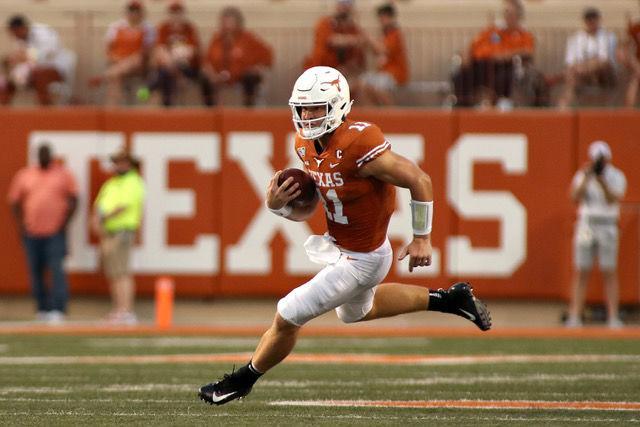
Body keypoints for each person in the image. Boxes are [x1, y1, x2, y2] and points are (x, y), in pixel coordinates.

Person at [198, 66, 492, 406]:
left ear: (337, 106)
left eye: (316, 108)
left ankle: (242, 380)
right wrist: (276, 206)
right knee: (356, 312)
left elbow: (420, 179)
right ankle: (450, 300)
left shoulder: (358, 143)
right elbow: (313, 207)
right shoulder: (305, 145)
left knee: (288, 313)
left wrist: (421, 237)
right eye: (303, 108)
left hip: (363, 258)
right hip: (346, 248)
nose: (307, 116)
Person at [7, 144, 78, 323]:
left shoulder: (62, 174)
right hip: (32, 232)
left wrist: (64, 223)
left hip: (55, 232)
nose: (44, 157)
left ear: (52, 156)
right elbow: (14, 201)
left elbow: (75, 198)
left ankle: (58, 307)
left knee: (56, 269)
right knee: (35, 270)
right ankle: (42, 307)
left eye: (46, 154)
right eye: (41, 154)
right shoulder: (26, 174)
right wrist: (21, 224)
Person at [566, 141, 626, 329]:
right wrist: (586, 178)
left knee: (609, 270)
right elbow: (574, 196)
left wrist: (602, 182)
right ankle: (575, 316)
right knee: (581, 270)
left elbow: (613, 199)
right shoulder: (584, 175)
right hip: (587, 224)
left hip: (607, 225)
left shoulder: (615, 176)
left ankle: (613, 317)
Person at [452, 0, 539, 109]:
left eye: (511, 14)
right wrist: (466, 54)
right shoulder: (494, 31)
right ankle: (462, 107)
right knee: (461, 75)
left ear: (518, 16)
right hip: (481, 64)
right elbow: (473, 45)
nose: (508, 16)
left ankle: (497, 104)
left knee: (502, 77)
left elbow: (528, 51)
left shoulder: (524, 35)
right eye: (506, 13)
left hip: (504, 66)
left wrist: (509, 54)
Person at [92, 150, 145, 325]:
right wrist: (96, 221)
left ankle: (126, 310)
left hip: (122, 231)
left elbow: (123, 206)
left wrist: (103, 218)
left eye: (123, 162)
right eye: (117, 162)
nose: (119, 166)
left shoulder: (133, 181)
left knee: (122, 272)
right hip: (109, 232)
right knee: (113, 273)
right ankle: (118, 309)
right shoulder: (112, 184)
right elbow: (99, 205)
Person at [202, 7, 272, 107]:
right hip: (219, 77)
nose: (227, 26)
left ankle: (248, 111)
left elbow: (267, 54)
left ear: (238, 23)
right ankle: (210, 113)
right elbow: (206, 61)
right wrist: (212, 74)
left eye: (230, 22)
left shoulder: (248, 38)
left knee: (250, 78)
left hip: (242, 78)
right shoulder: (216, 39)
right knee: (204, 78)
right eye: (224, 22)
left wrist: (258, 68)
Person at [90, 0, 155, 105]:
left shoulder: (147, 28)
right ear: (126, 12)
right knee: (115, 78)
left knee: (134, 59)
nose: (134, 14)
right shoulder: (116, 26)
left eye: (136, 11)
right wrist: (115, 58)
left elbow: (147, 51)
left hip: (139, 64)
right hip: (118, 62)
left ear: (141, 13)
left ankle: (104, 77)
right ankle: (114, 113)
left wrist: (130, 60)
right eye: (131, 11)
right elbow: (108, 49)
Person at [150, 0, 210, 106]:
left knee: (167, 72)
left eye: (178, 12)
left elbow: (193, 51)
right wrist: (174, 60)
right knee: (165, 72)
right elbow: (160, 50)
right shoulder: (163, 28)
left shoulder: (190, 28)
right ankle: (166, 107)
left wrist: (178, 56)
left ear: (183, 14)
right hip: (169, 67)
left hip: (188, 68)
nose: (176, 16)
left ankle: (147, 91)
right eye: (173, 13)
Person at [0, 15, 67, 105]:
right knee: (6, 82)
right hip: (31, 71)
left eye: (16, 32)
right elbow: (22, 60)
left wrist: (27, 56)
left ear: (22, 28)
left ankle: (46, 113)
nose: (14, 36)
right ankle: (5, 114)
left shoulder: (43, 32)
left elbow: (50, 51)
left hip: (55, 68)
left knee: (38, 75)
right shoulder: (19, 40)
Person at [558, 7, 617, 109]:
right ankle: (563, 109)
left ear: (599, 20)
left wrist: (585, 67)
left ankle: (564, 105)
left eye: (594, 19)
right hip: (581, 74)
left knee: (601, 63)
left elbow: (605, 60)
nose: (591, 22)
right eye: (589, 19)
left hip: (604, 74)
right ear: (585, 21)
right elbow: (570, 62)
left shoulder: (608, 36)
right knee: (571, 74)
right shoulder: (575, 39)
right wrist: (583, 68)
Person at [359, 3, 408, 106]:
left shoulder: (395, 34)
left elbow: (382, 49)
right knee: (363, 82)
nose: (381, 21)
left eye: (383, 17)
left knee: (379, 86)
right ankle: (374, 113)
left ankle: (391, 113)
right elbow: (376, 52)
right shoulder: (384, 34)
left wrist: (369, 38)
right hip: (383, 73)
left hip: (394, 74)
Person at [304, 0, 366, 80]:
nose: (344, 8)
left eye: (347, 6)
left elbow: (362, 44)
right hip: (319, 70)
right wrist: (355, 40)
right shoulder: (324, 23)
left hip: (340, 72)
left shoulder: (352, 29)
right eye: (342, 5)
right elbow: (332, 40)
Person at [617, 10, 640, 108]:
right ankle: (629, 114)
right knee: (636, 78)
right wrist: (632, 63)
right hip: (638, 64)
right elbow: (621, 50)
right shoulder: (636, 26)